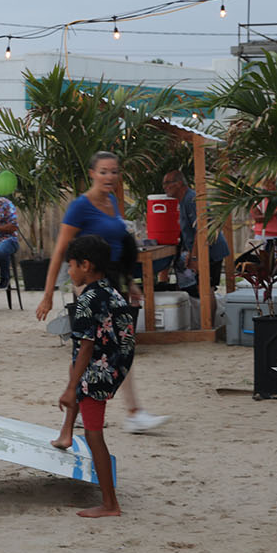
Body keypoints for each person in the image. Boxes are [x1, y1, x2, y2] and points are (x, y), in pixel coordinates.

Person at [36, 151, 167, 434]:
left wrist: (130, 282)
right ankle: (92, 408)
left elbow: (119, 246)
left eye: (114, 171)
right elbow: (60, 251)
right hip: (90, 285)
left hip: (113, 283)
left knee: (118, 345)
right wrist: (48, 294)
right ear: (92, 173)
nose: (110, 176)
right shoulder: (80, 207)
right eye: (104, 171)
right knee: (88, 348)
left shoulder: (112, 202)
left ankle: (129, 412)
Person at [52, 235, 133, 518]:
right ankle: (66, 433)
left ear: (85, 265)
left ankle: (110, 504)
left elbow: (86, 347)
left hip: (101, 368)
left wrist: (71, 388)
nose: (69, 271)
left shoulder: (87, 299)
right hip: (118, 362)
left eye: (71, 265)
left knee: (93, 434)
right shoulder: (110, 290)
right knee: (75, 369)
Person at [158, 169, 228, 297]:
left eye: (167, 183)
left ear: (179, 183)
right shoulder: (184, 200)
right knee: (202, 289)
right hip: (203, 249)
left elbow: (201, 230)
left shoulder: (191, 199)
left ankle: (208, 311)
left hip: (211, 249)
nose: (164, 187)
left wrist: (195, 257)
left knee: (205, 289)